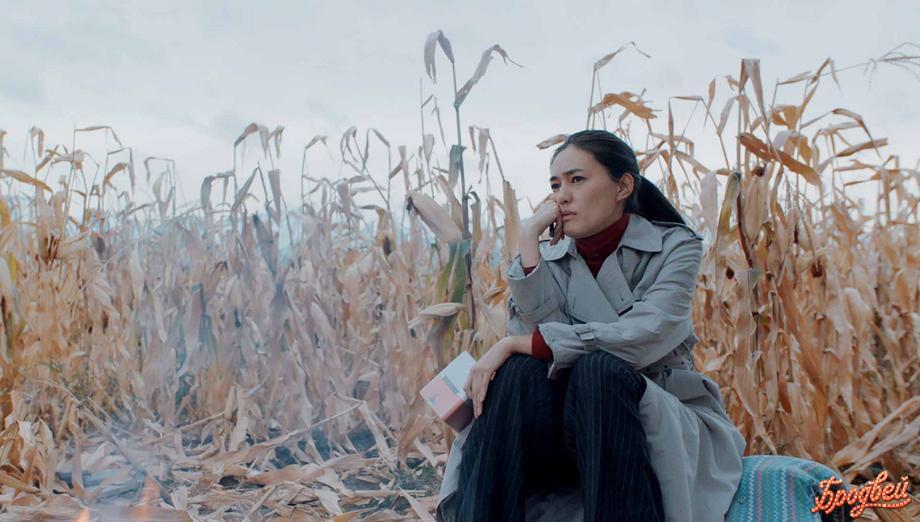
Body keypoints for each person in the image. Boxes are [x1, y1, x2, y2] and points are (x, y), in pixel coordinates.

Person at [435, 130, 746, 521]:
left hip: (647, 414)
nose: (561, 197)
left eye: (577, 180)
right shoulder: (546, 256)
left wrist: (514, 344)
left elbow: (645, 336)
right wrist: (529, 246)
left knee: (598, 371)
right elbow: (537, 349)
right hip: (562, 421)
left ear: (623, 187)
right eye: (555, 185)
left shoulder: (675, 247)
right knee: (517, 374)